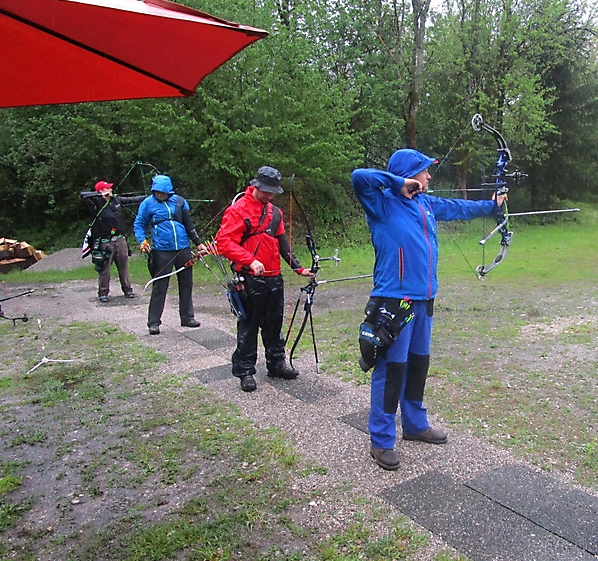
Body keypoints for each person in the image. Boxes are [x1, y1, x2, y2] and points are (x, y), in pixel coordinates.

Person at [351, 149, 506, 471]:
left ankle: (415, 424)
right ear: (409, 175)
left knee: (418, 365)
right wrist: (397, 183)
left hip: (424, 299)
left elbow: (458, 207)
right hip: (395, 300)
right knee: (391, 369)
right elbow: (359, 177)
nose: (429, 176)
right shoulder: (381, 203)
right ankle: (381, 441)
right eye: (424, 170)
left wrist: (492, 205)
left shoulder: (425, 203)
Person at [215, 166, 314, 392]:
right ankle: (245, 371)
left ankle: (276, 364)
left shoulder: (275, 213)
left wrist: (298, 268)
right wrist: (250, 260)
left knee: (274, 324)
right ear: (256, 186)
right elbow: (224, 243)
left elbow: (282, 242)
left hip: (274, 277)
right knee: (249, 326)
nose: (270, 195)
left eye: (273, 192)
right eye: (267, 191)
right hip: (249, 278)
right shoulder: (238, 210)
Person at [133, 175, 206, 335]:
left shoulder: (179, 202)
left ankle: (187, 317)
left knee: (186, 284)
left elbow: (188, 224)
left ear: (169, 191)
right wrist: (142, 241)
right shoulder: (147, 204)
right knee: (160, 286)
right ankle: (153, 322)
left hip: (183, 248)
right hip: (162, 250)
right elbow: (139, 224)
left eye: (163, 192)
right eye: (157, 192)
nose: (160, 195)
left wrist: (198, 243)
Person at [80, 180, 146, 302]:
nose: (111, 190)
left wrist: (149, 196)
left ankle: (127, 290)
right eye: (108, 188)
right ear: (101, 191)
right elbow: (83, 195)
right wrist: (101, 195)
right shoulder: (95, 203)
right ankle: (103, 292)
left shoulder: (116, 200)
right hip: (104, 241)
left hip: (120, 239)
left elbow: (132, 200)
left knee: (123, 266)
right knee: (104, 268)